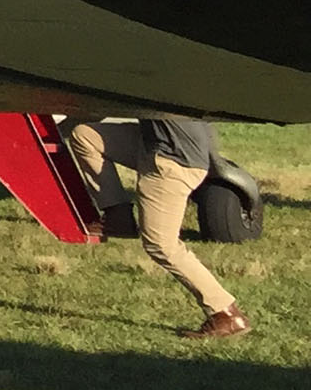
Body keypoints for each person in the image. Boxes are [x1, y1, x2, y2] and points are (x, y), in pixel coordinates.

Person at [62, 116, 249, 339]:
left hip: (173, 161)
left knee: (161, 245)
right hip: (154, 144)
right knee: (86, 136)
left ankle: (226, 313)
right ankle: (118, 215)